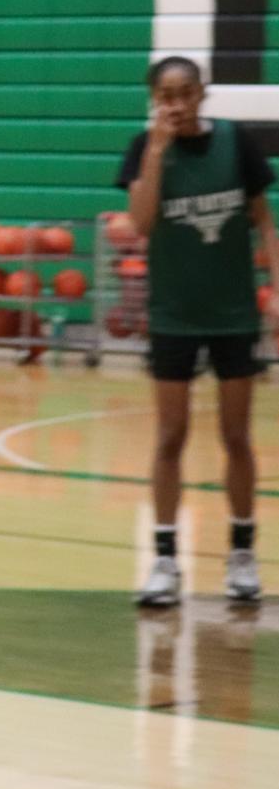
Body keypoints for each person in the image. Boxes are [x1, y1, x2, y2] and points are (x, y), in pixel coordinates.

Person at [118, 55, 279, 607]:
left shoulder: (237, 144)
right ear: (154, 100)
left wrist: (276, 289)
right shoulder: (144, 149)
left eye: (186, 93)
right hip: (174, 316)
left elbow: (263, 220)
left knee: (236, 437)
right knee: (170, 437)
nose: (177, 103)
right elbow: (139, 223)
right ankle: (164, 560)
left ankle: (241, 553)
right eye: (166, 95)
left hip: (233, 313)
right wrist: (159, 151)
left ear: (203, 94)